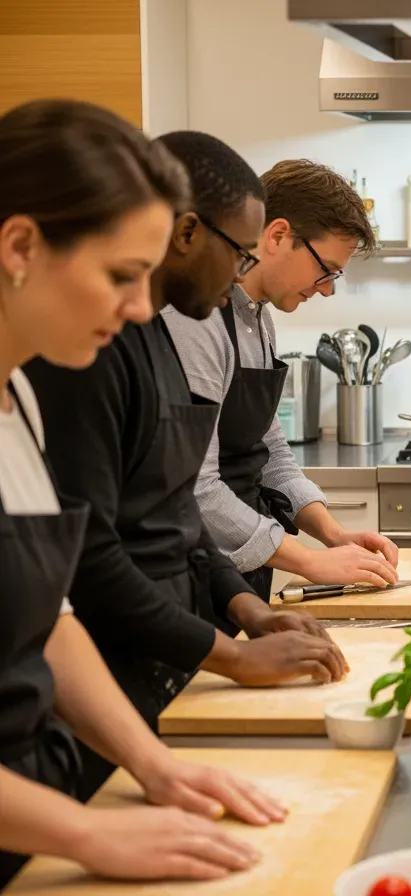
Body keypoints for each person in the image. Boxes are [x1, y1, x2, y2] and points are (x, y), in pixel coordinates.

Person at [0, 99, 285, 888]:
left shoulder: (16, 401)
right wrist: (87, 834)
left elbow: (48, 624)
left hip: (38, 797)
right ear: (21, 245)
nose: (138, 308)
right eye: (121, 275)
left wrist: (154, 767)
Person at [23, 131, 346, 799]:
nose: (139, 302)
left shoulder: (137, 341)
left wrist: (241, 608)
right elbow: (93, 561)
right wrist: (229, 650)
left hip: (160, 659)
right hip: (121, 668)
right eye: (121, 274)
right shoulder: (73, 365)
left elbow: (174, 508)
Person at [163, 159, 397, 605]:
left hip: (246, 568)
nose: (327, 290)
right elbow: (197, 487)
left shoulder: (259, 319)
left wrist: (333, 534)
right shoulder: (198, 318)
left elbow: (270, 452)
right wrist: (308, 561)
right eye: (326, 269)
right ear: (277, 236)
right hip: (193, 574)